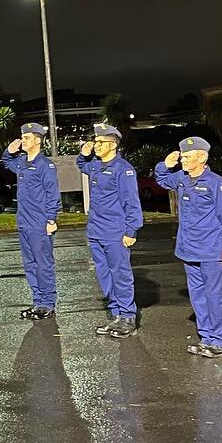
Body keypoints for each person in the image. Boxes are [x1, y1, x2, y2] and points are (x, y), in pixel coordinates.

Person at [155, 136, 222, 358]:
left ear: (202, 157)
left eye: (187, 156)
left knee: (216, 296)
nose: (183, 160)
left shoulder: (216, 183)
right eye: (182, 156)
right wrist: (165, 164)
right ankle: (206, 338)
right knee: (198, 297)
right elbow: (161, 179)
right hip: (189, 249)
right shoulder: (182, 179)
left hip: (212, 250)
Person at [78, 123, 144, 337]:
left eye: (100, 142)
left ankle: (127, 316)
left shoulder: (123, 169)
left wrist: (131, 230)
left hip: (115, 231)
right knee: (104, 274)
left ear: (113, 145)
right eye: (96, 142)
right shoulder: (96, 166)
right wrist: (83, 154)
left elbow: (132, 203)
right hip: (96, 231)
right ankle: (115, 314)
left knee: (120, 274)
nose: (96, 145)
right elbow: (82, 165)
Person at [3, 123, 61, 319]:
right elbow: (6, 162)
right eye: (22, 137)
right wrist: (9, 151)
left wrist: (51, 218)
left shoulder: (45, 165)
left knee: (43, 264)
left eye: (26, 138)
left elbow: (52, 194)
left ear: (37, 140)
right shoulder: (21, 162)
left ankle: (47, 303)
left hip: (39, 223)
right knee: (30, 265)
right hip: (24, 222)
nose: (22, 140)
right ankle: (37, 302)